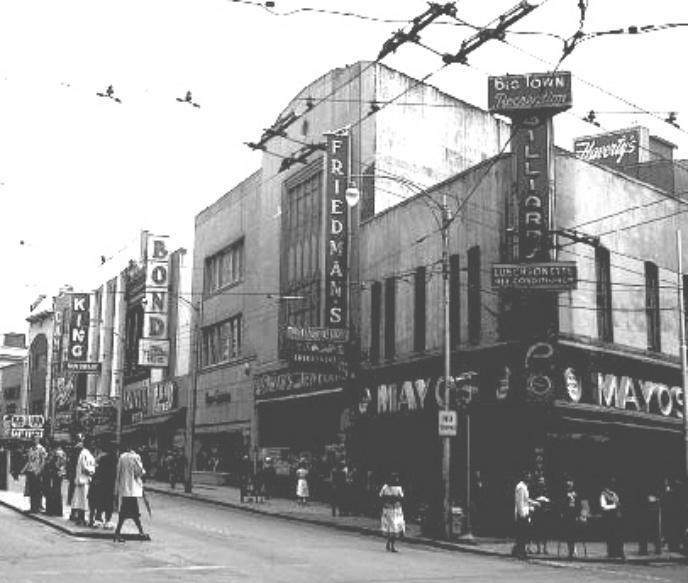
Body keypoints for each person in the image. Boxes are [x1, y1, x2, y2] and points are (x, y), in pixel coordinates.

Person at [113, 443, 149, 542]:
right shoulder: (135, 457)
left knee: (131, 512)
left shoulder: (122, 457)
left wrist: (117, 490)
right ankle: (118, 533)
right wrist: (143, 472)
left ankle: (140, 531)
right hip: (132, 489)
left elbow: (118, 473)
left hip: (124, 489)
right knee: (129, 512)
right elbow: (139, 472)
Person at [89, 441, 118, 528]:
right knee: (109, 503)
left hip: (101, 483)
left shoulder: (102, 458)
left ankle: (98, 519)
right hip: (110, 484)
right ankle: (107, 521)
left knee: (100, 501)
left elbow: (98, 470)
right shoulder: (115, 459)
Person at [512, 470, 539, 559]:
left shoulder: (525, 486)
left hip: (525, 512)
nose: (529, 477)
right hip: (522, 513)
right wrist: (522, 514)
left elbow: (526, 499)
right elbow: (519, 502)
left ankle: (520, 551)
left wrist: (534, 503)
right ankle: (520, 552)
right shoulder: (520, 487)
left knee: (524, 534)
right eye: (528, 476)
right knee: (521, 534)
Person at [72, 437, 96, 526]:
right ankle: (81, 518)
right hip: (84, 479)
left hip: (84, 479)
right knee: (82, 500)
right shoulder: (85, 453)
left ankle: (81, 518)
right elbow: (85, 467)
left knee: (82, 500)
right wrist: (92, 472)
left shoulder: (85, 453)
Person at [379, 473, 405, 552]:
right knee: (395, 528)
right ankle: (392, 545)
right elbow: (401, 496)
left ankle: (388, 543)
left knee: (389, 527)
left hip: (387, 509)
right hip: (396, 510)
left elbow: (380, 496)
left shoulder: (385, 487)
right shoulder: (398, 488)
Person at [21, 436, 47, 513]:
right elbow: (29, 461)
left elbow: (43, 461)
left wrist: (39, 470)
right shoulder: (30, 449)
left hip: (37, 472)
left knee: (37, 490)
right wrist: (23, 470)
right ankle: (32, 507)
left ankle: (37, 507)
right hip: (30, 471)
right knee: (31, 490)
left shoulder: (41, 449)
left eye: (36, 439)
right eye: (33, 439)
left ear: (38, 440)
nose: (34, 440)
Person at [600, 478, 624, 559]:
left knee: (618, 536)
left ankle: (618, 552)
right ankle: (611, 552)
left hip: (616, 517)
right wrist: (614, 506)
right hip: (609, 517)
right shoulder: (604, 494)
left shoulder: (614, 494)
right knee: (610, 536)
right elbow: (603, 506)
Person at [43, 440, 67, 517]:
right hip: (60, 474)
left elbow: (49, 463)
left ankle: (50, 510)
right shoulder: (62, 453)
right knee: (57, 492)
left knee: (51, 492)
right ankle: (58, 511)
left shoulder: (54, 452)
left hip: (53, 474)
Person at [560, 478, 582, 558]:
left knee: (574, 533)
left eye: (571, 483)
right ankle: (570, 550)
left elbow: (579, 505)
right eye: (568, 483)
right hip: (567, 515)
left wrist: (578, 514)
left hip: (574, 515)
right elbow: (562, 505)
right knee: (568, 533)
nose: (569, 484)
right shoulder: (564, 493)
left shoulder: (576, 493)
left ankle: (574, 548)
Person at [530, 475, 551, 554]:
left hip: (545, 511)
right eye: (539, 480)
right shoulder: (535, 489)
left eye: (542, 480)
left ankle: (545, 548)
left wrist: (546, 499)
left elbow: (550, 499)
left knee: (545, 530)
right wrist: (537, 499)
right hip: (537, 511)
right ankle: (538, 549)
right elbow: (531, 498)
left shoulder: (547, 490)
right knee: (537, 530)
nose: (541, 482)